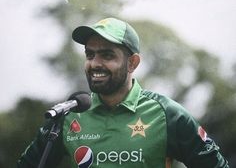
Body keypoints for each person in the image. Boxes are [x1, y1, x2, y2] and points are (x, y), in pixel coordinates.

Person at [17, 17, 229, 167]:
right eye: (90, 55)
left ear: (132, 63)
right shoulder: (68, 116)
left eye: (107, 55)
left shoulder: (168, 114)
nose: (95, 64)